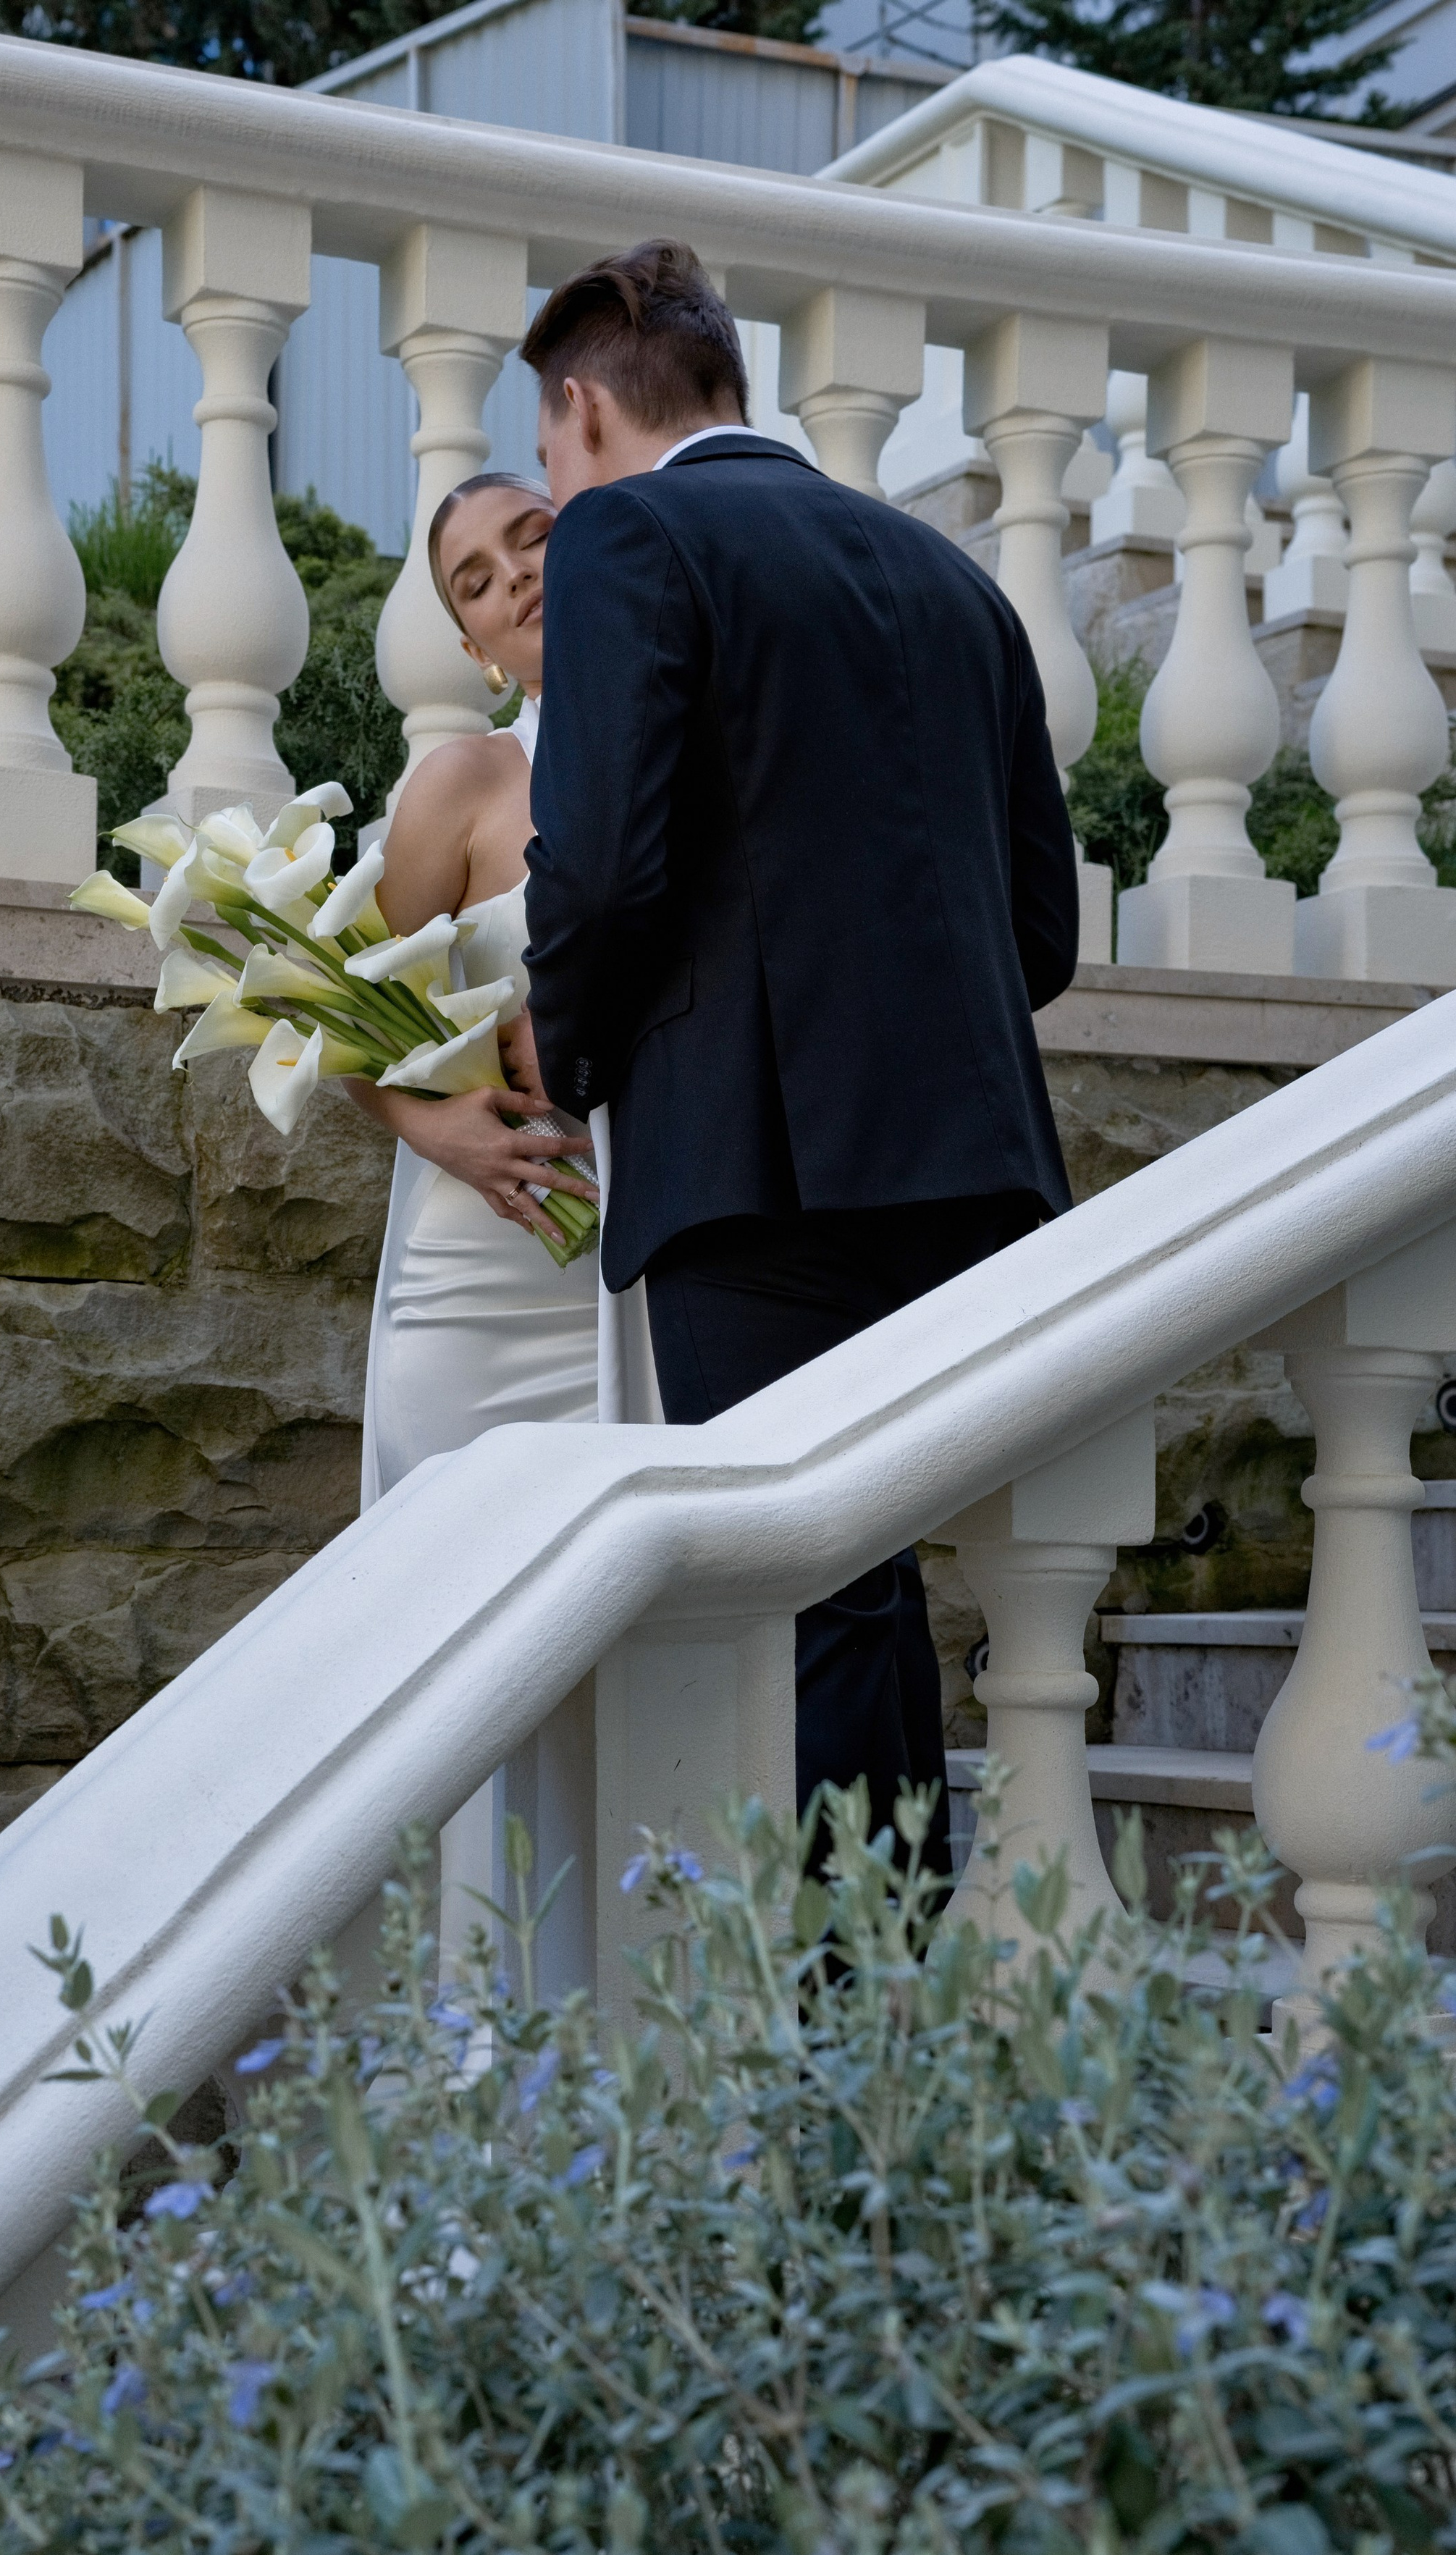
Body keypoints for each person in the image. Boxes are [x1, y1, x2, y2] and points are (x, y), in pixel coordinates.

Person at [516, 239, 1082, 1847]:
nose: (552, 487)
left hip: (755, 1167)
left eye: (547, 454)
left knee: (804, 1599)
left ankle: (843, 2039)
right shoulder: (953, 582)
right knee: (871, 1594)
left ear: (577, 411)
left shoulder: (625, 532)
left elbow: (607, 865)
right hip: (971, 1169)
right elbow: (1036, 938)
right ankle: (879, 2004)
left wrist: (567, 1058)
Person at [348, 470, 658, 1509]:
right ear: (478, 652)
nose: (517, 575)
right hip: (484, 1282)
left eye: (533, 537)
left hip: (659, 1269)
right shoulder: (461, 786)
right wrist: (435, 1132)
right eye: (475, 582)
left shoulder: (693, 751)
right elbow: (337, 1020)